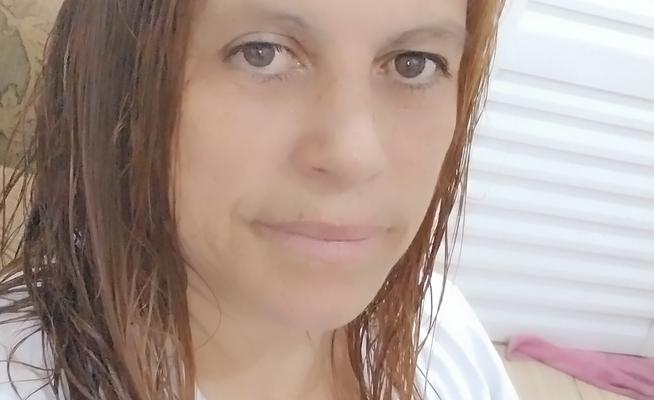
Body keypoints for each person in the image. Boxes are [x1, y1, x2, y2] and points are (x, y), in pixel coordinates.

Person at [0, 0, 517, 399]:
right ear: (123, 80)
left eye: (413, 64)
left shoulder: (442, 329)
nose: (353, 155)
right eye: (261, 53)